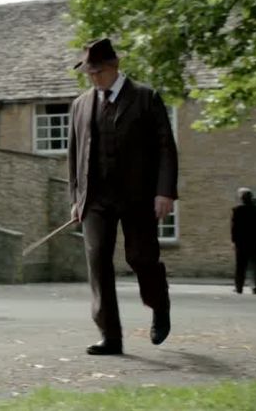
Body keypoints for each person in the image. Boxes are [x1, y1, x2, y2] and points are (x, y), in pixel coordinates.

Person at [67, 38, 179, 356]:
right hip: (95, 199)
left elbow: (166, 148)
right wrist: (76, 198)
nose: (93, 77)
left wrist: (164, 191)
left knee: (141, 258)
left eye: (98, 71)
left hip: (138, 196)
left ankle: (159, 304)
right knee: (98, 260)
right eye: (89, 73)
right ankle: (110, 336)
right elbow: (74, 155)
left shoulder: (145, 98)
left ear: (115, 66)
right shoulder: (80, 105)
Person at [231, 187, 256, 295]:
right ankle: (255, 286)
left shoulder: (237, 210)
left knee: (240, 266)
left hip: (241, 242)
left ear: (241, 198)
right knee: (255, 265)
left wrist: (234, 241)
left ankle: (239, 287)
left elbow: (234, 228)